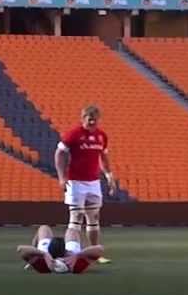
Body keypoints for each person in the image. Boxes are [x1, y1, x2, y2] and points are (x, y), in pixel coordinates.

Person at [55, 105, 116, 264]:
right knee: (76, 217)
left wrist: (109, 176)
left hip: (93, 182)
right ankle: (71, 252)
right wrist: (62, 177)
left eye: (94, 119)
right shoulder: (74, 134)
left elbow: (103, 157)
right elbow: (59, 153)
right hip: (75, 182)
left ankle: (94, 253)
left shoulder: (102, 136)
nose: (91, 122)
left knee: (93, 217)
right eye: (89, 119)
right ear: (83, 119)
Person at [17, 225, 103, 275]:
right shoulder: (75, 265)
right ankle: (31, 260)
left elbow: (20, 248)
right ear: (66, 251)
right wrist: (78, 254)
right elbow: (100, 249)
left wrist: (43, 254)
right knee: (71, 230)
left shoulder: (43, 264)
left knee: (43, 227)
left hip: (45, 252)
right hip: (71, 253)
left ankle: (30, 262)